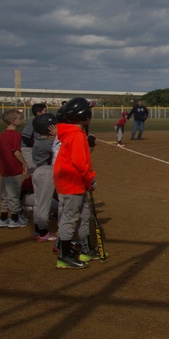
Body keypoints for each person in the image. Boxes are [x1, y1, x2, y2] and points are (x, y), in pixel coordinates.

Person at [53, 97, 100, 269]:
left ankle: (85, 249)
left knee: (83, 217)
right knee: (70, 218)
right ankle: (64, 256)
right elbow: (80, 163)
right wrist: (90, 179)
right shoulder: (76, 135)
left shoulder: (74, 133)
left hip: (76, 182)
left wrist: (88, 179)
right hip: (72, 183)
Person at [0, 109, 29, 229]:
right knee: (14, 194)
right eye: (20, 118)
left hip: (4, 169)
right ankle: (15, 218)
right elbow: (16, 152)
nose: (22, 120)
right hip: (13, 169)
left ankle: (3, 218)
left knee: (4, 194)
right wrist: (24, 164)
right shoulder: (15, 135)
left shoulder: (3, 134)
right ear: (13, 121)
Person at [30, 112, 59, 242]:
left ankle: (38, 230)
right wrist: (58, 135)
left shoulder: (39, 140)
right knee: (43, 204)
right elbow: (63, 148)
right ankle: (42, 232)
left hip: (39, 172)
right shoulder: (46, 143)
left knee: (39, 202)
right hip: (46, 173)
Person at [20, 103, 48, 170]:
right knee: (32, 170)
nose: (47, 112)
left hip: (36, 149)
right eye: (45, 111)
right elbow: (25, 137)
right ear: (38, 113)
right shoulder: (33, 122)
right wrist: (36, 145)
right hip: (28, 149)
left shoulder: (43, 122)